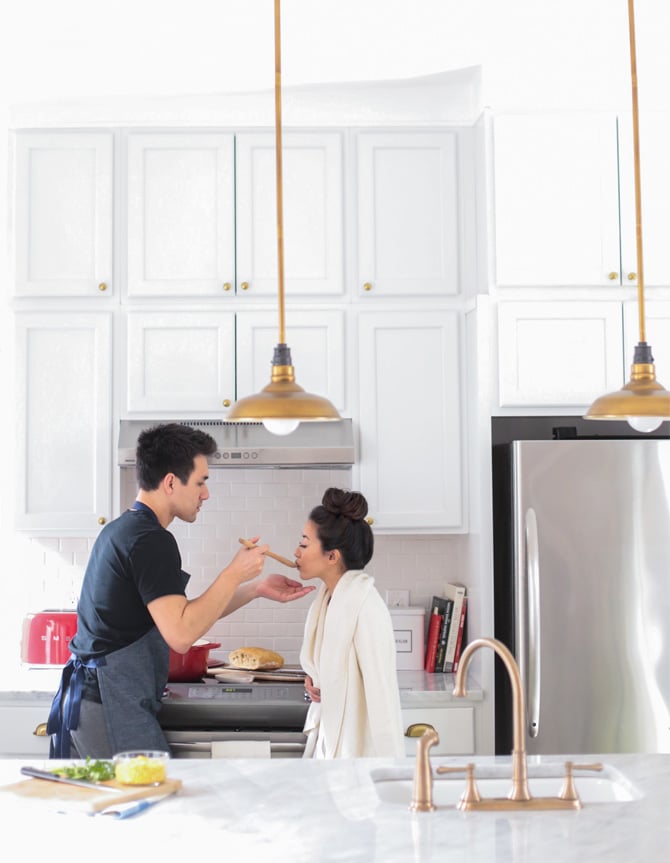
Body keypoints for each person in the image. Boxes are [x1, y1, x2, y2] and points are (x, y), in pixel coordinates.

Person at [47, 423, 314, 759]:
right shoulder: (150, 540)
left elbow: (181, 614)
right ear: (171, 482)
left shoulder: (125, 529)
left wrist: (254, 588)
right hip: (110, 706)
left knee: (139, 805)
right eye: (201, 482)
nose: (206, 494)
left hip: (101, 702)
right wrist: (233, 573)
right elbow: (182, 634)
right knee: (150, 803)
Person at [297, 488, 405, 758]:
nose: (296, 552)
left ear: (332, 556)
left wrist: (392, 774)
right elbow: (332, 670)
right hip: (331, 745)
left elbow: (383, 696)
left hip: (358, 755)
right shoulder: (327, 600)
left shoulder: (366, 608)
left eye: (304, 543)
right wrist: (314, 678)